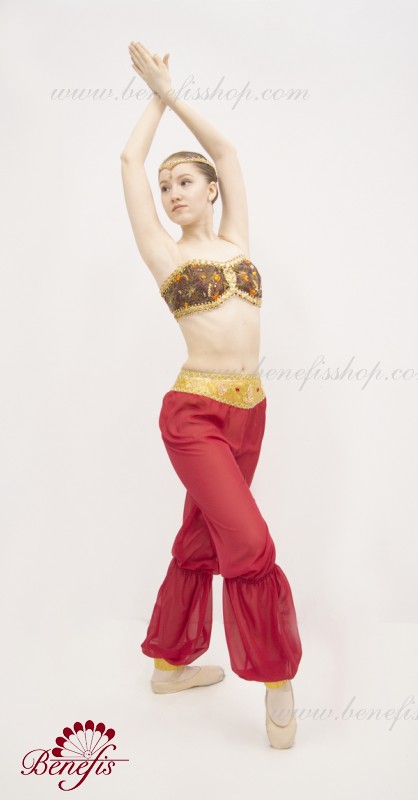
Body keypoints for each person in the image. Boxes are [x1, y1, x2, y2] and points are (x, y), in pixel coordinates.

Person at [120, 41, 303, 749]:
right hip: (193, 415)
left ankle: (170, 664)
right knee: (249, 543)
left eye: (184, 182)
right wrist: (154, 99)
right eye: (166, 187)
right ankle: (277, 679)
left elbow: (226, 151)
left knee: (202, 535)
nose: (172, 194)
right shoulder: (165, 253)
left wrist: (178, 96)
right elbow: (129, 162)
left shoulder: (235, 240)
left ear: (211, 190)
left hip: (251, 411)